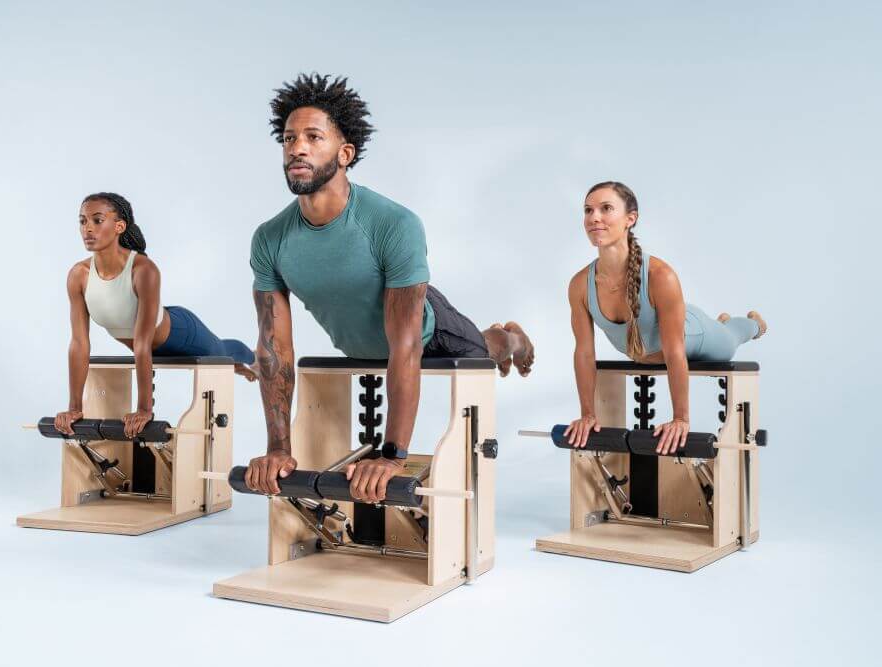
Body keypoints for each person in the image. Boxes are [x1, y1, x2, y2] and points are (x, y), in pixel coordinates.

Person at [243, 73, 535, 503]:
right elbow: (274, 349)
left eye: (312, 137)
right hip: (363, 340)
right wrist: (278, 450)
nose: (297, 148)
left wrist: (393, 456)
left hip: (425, 330)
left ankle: (511, 337)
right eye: (288, 138)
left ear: (345, 153)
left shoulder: (393, 224)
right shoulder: (270, 238)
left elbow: (407, 346)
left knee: (481, 348)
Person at [563, 181, 767, 454]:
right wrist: (588, 414)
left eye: (606, 208)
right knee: (722, 330)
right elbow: (585, 353)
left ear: (630, 219)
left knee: (730, 340)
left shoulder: (661, 276)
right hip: (662, 338)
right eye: (588, 210)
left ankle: (752, 323)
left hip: (693, 333)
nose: (594, 217)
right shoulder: (580, 285)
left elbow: (674, 351)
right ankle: (723, 320)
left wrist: (681, 418)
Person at [54, 192, 256, 438]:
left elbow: (142, 342)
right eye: (82, 221)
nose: (88, 229)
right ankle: (235, 364)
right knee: (221, 356)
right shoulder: (79, 275)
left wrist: (144, 409)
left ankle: (254, 358)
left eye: (97, 220)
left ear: (119, 226)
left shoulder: (142, 269)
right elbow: (79, 343)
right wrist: (75, 407)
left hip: (181, 334)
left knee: (221, 352)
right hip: (148, 347)